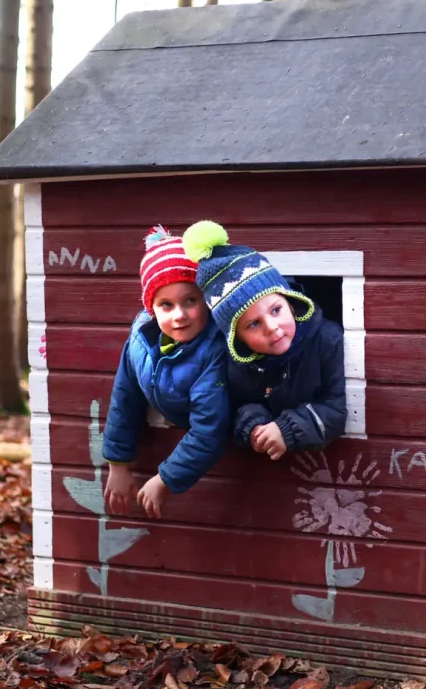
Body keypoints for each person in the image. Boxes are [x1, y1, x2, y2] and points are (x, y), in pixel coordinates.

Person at [182, 221, 346, 460]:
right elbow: (239, 404)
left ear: (290, 302)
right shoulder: (239, 363)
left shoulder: (327, 340)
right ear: (237, 338)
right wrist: (256, 427)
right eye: (253, 324)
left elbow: (336, 409)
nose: (271, 327)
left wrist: (287, 429)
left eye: (276, 310)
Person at [101, 227, 231, 518]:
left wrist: (165, 479)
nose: (179, 315)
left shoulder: (214, 350)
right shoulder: (140, 339)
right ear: (151, 309)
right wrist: (117, 465)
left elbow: (210, 429)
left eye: (190, 301)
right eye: (166, 305)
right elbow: (125, 397)